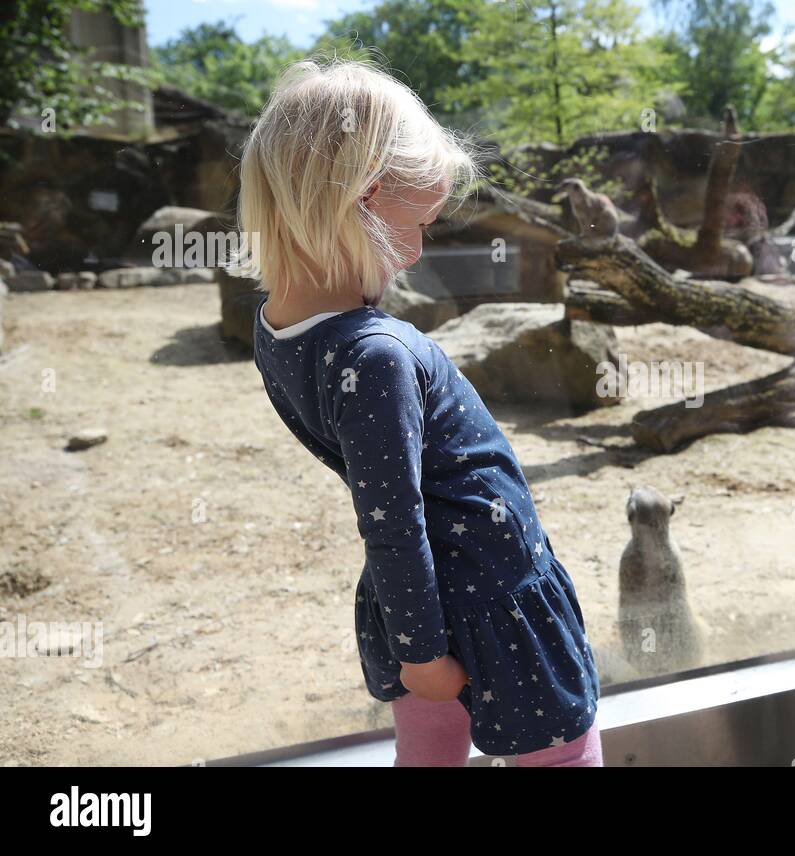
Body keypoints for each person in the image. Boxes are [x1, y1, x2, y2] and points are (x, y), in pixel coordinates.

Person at [239, 58, 602, 766]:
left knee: (427, 754)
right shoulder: (373, 355)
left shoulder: (277, 329)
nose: (420, 248)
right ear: (365, 203)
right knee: (566, 753)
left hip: (422, 600)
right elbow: (393, 524)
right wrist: (424, 656)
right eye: (420, 222)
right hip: (485, 599)